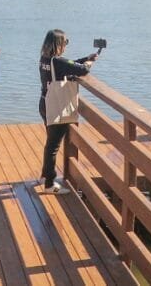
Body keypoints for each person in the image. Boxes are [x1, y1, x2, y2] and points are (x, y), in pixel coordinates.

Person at [38, 29, 97, 194]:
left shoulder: (45, 59)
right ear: (58, 44)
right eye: (65, 42)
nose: (66, 45)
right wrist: (88, 63)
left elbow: (69, 64)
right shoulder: (57, 61)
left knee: (50, 142)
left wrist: (86, 58)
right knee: (53, 146)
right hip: (57, 107)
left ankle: (44, 175)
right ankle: (49, 184)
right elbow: (83, 70)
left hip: (45, 103)